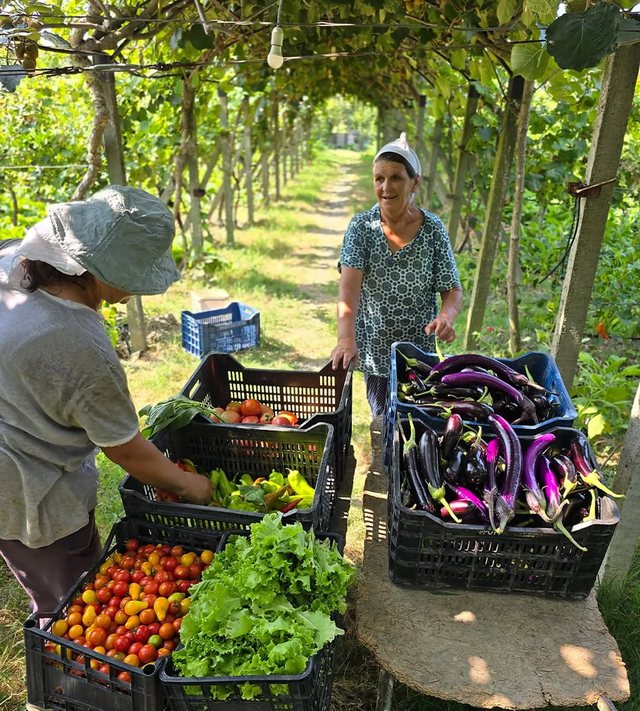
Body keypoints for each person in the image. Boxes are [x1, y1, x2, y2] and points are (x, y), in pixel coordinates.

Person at [0, 185, 213, 616]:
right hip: (32, 490)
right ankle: (72, 677)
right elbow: (124, 448)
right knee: (72, 606)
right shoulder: (80, 346)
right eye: (133, 273)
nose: (136, 289)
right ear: (97, 268)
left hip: (12, 453)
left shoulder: (12, 262)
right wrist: (194, 486)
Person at [330, 132, 463, 416]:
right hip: (376, 350)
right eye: (379, 178)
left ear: (414, 182)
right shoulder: (362, 228)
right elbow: (348, 291)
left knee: (419, 419)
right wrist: (346, 339)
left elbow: (452, 288)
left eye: (396, 178)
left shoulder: (433, 230)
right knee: (383, 418)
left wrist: (446, 317)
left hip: (420, 354)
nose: (385, 187)